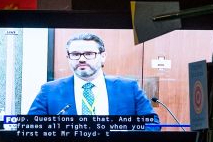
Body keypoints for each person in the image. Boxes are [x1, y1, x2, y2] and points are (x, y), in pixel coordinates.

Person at [27, 32, 159, 120]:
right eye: (75, 54)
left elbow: (151, 122)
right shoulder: (49, 91)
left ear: (103, 57)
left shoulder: (129, 88)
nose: (81, 59)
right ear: (68, 57)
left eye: (89, 53)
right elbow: (31, 126)